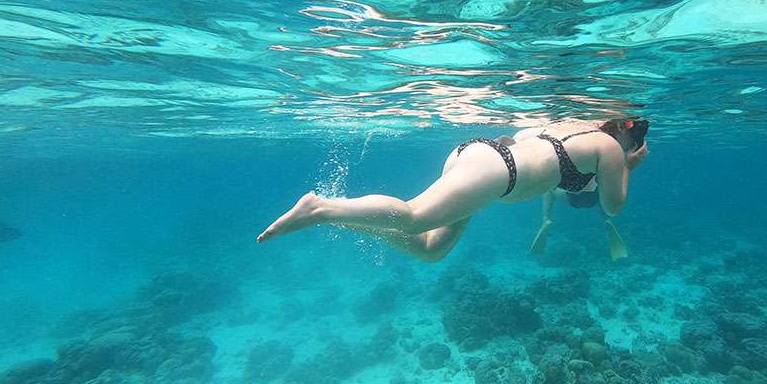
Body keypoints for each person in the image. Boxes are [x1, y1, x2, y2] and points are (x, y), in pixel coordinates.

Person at [256, 117, 650, 262]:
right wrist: (629, 167)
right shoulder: (609, 148)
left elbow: (531, 151)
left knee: (432, 249)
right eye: (634, 143)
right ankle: (320, 208)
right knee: (413, 217)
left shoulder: (565, 124)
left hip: (486, 159)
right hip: (498, 173)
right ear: (624, 135)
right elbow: (613, 207)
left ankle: (343, 219)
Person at [529, 188, 630, 261]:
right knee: (601, 191)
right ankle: (608, 219)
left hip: (573, 198)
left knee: (549, 188)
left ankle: (546, 219)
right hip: (593, 197)